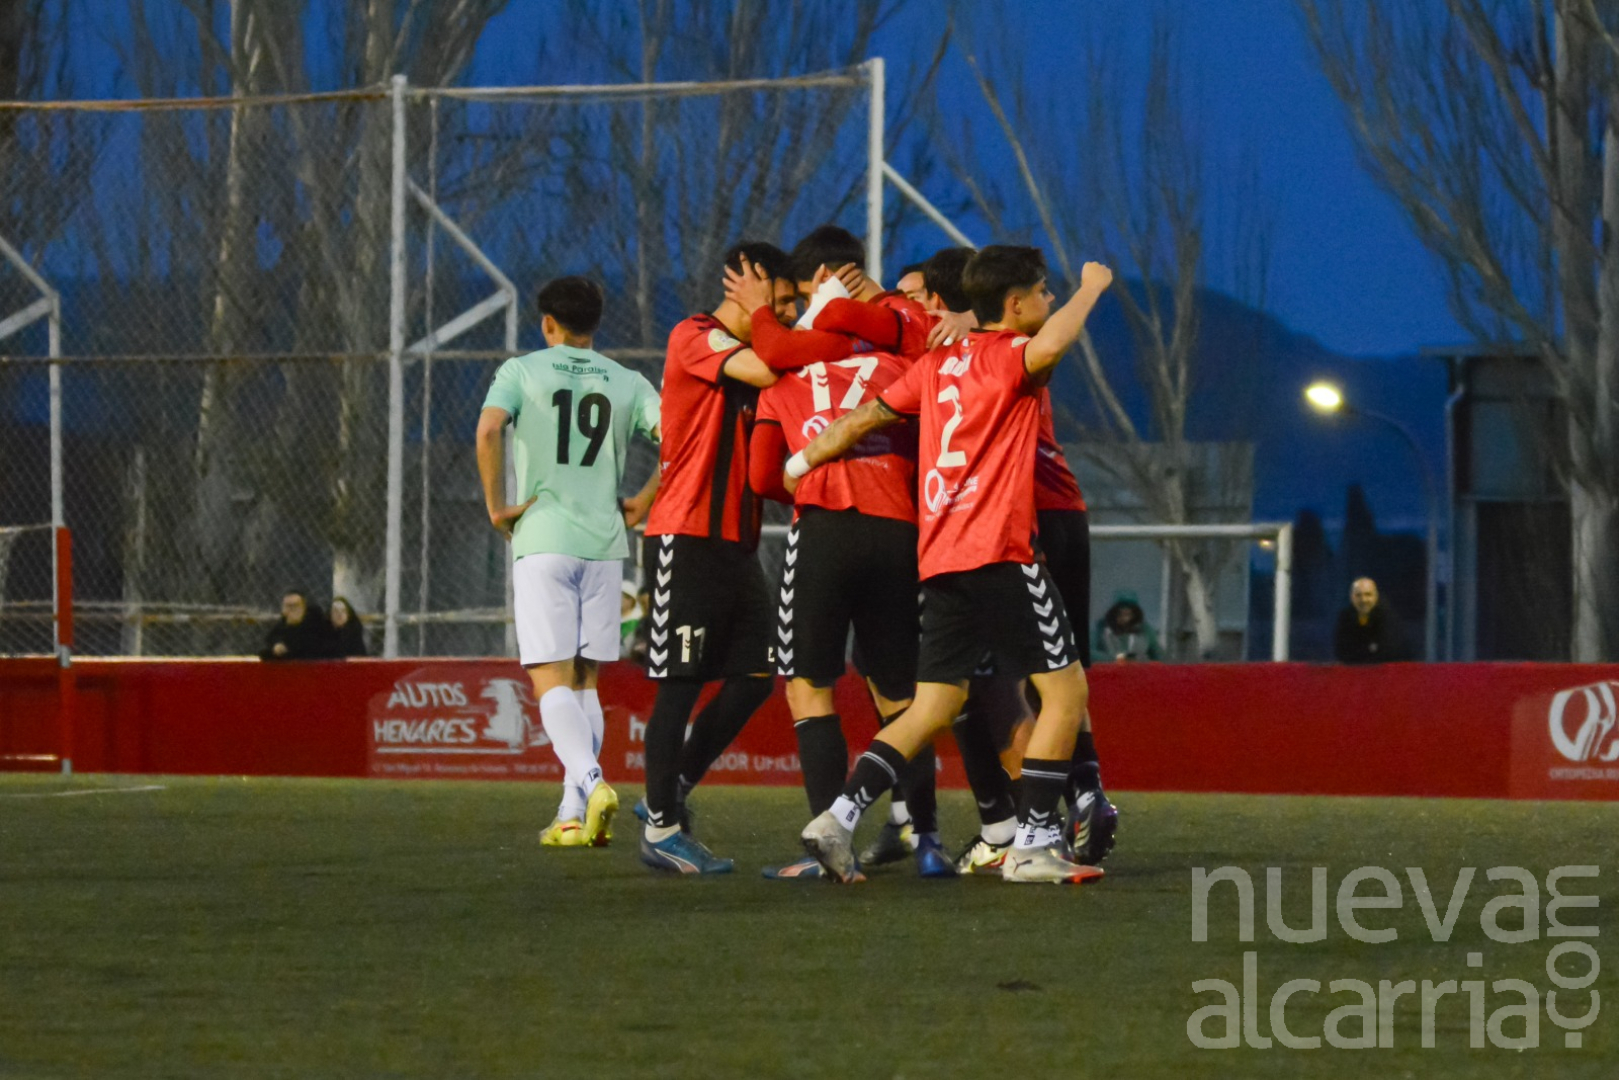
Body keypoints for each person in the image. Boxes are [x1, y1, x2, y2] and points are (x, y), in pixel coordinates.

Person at [790, 245, 1115, 884]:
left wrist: (799, 463)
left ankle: (836, 818)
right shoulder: (1010, 356)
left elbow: (863, 417)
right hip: (1000, 551)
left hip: (941, 559)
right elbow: (1051, 344)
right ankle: (1031, 844)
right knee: (1066, 691)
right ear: (1015, 304)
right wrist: (1091, 288)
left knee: (933, 706)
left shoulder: (937, 364)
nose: (1050, 299)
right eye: (1042, 292)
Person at [727, 248, 951, 880]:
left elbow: (761, 475)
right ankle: (928, 840)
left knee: (809, 688)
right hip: (898, 530)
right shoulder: (900, 362)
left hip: (825, 529)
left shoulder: (784, 378)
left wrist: (808, 477)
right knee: (901, 695)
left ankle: (832, 847)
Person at [477, 275, 661, 850]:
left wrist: (496, 507)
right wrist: (645, 499)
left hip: (544, 539)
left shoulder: (520, 371)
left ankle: (592, 782)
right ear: (596, 324)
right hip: (604, 545)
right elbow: (681, 440)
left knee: (548, 678)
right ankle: (571, 813)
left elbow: (489, 429)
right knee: (585, 682)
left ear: (547, 324)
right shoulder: (627, 381)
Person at [635, 241, 799, 875]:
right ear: (747, 285)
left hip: (736, 546)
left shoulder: (762, 347)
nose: (787, 313)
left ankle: (672, 789)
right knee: (680, 684)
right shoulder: (693, 336)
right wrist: (765, 318)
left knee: (757, 675)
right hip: (686, 538)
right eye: (781, 299)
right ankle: (660, 829)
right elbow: (768, 371)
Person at [1333, 577, 1410, 663]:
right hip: (1354, 669)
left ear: (1376, 596)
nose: (1363, 600)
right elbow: (1341, 651)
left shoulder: (1387, 617)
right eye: (1358, 595)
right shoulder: (1345, 617)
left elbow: (1387, 653)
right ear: (1352, 597)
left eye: (1368, 595)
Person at [259, 590, 330, 661]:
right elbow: (271, 637)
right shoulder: (285, 620)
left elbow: (310, 641)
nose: (291, 609)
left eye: (294, 605)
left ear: (303, 607)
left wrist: (288, 645)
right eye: (287, 606)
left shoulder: (314, 619)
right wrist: (277, 644)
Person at [1094, 592, 1163, 662]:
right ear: (1113, 613)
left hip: (1138, 668)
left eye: (1128, 614)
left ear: (1135, 615)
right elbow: (1090, 653)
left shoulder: (1145, 631)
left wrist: (1143, 660)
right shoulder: (1100, 629)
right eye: (1120, 614)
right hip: (1108, 668)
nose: (1124, 619)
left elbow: (1159, 655)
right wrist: (1116, 659)